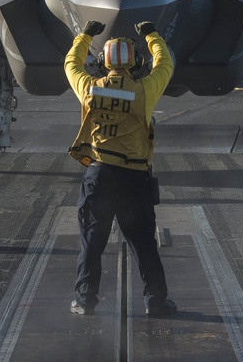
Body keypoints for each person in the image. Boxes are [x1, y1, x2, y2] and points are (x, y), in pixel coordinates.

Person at [65, 19, 177, 316]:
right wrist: (152, 34)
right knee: (144, 244)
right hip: (135, 179)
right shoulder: (145, 91)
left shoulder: (89, 87)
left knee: (92, 242)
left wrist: (85, 35)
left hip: (99, 176)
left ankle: (85, 300)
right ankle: (156, 302)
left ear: (102, 63)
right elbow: (165, 64)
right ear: (137, 63)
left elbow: (71, 64)